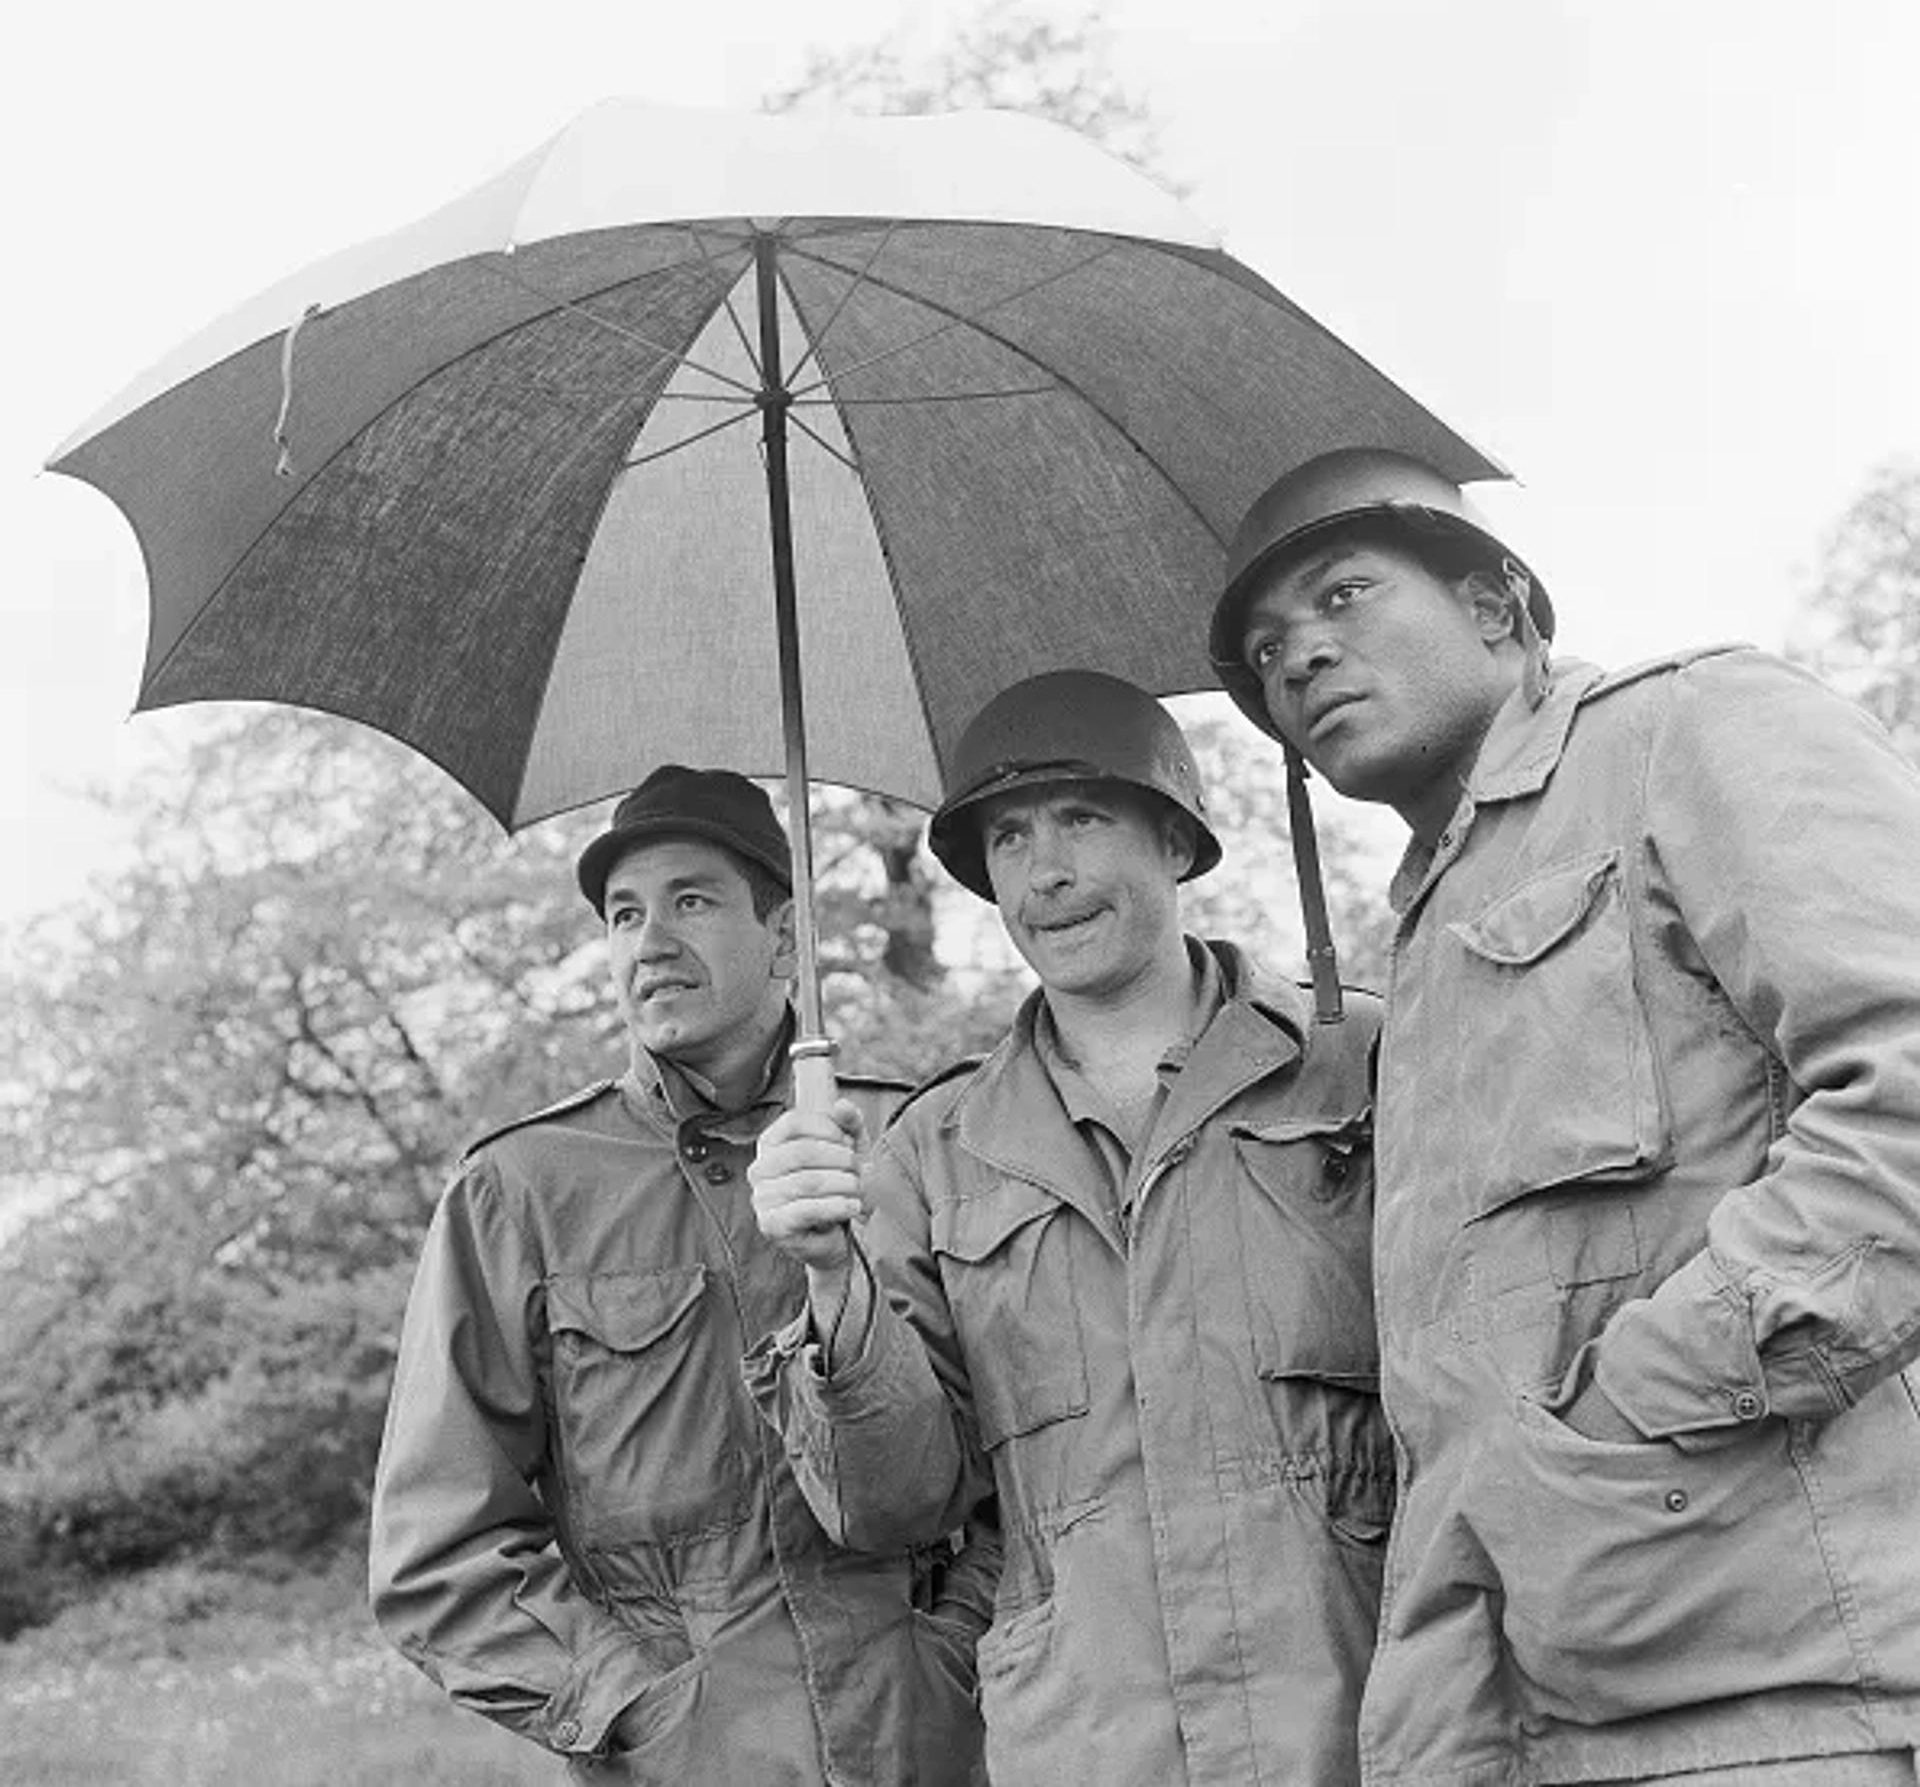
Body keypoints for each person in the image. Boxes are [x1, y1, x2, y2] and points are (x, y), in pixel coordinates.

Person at [1208, 446, 1920, 1787]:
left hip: (1768, 1691)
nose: (1294, 658)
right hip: (1528, 1707)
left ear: (1497, 606)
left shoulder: (1693, 725)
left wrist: (1637, 1408)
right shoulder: (1419, 937)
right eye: (1265, 646)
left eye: (1343, 596)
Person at [745, 670, 1391, 1787]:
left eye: (1083, 819)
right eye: (1007, 837)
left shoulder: (1363, 1062)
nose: (1044, 872)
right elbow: (892, 1501)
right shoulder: (931, 1150)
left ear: (1178, 842)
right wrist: (829, 1280)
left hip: (1368, 1723)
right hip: (1086, 1746)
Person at [368, 765, 990, 1785]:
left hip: (932, 1748)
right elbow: (439, 1548)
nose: (648, 940)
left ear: (785, 935)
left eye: (691, 900)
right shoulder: (520, 1190)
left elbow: (1026, 1452)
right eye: (623, 914)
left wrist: (958, 1648)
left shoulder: (913, 1139)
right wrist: (639, 1710)